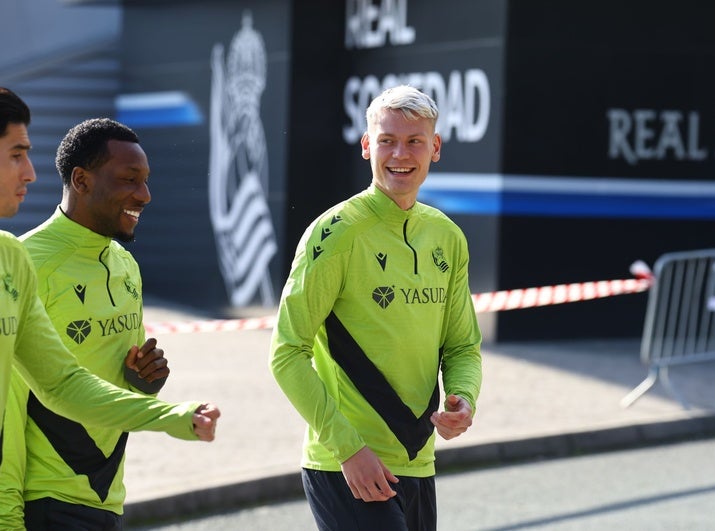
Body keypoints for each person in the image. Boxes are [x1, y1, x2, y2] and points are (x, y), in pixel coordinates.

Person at [0, 89, 220, 526]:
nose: (146, 195)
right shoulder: (30, 260)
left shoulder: (119, 264)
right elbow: (15, 405)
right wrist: (9, 515)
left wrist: (148, 388)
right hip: (42, 499)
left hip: (107, 496)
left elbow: (65, 383)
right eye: (17, 154)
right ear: (82, 181)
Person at [269, 85, 482, 531]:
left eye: (414, 141)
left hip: (418, 462)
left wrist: (464, 398)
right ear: (367, 146)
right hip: (347, 465)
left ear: (435, 148)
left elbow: (462, 345)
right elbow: (286, 352)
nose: (399, 154)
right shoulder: (334, 232)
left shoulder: (448, 236)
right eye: (386, 140)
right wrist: (347, 449)